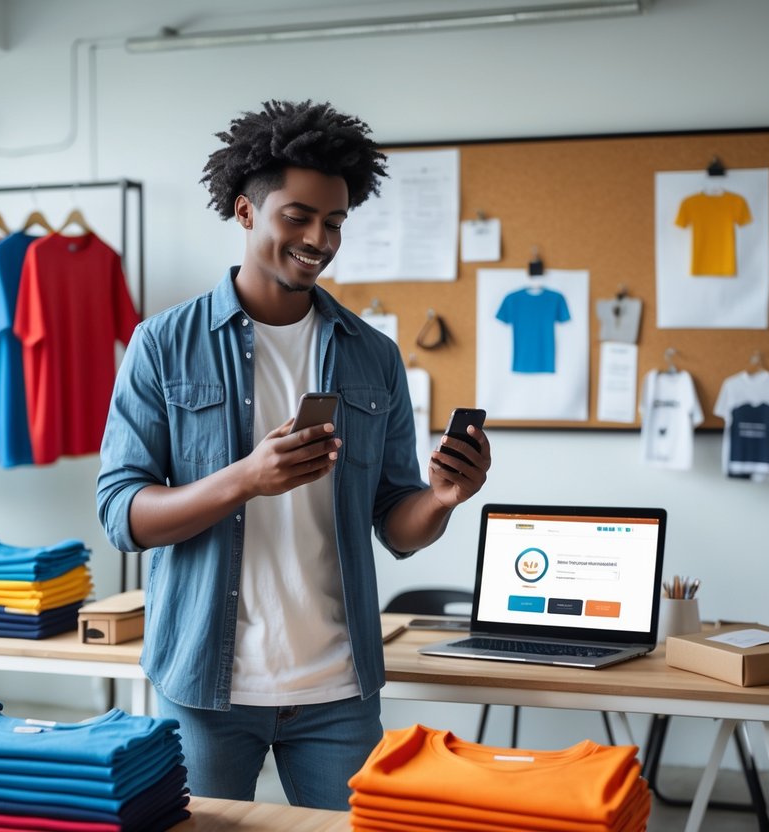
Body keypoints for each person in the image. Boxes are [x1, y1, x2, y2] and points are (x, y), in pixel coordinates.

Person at [96, 99, 490, 810]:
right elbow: (122, 513)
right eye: (297, 216)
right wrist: (245, 480)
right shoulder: (163, 344)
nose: (319, 238)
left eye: (334, 221)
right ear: (246, 213)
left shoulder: (371, 355)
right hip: (205, 688)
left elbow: (395, 525)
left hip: (337, 691)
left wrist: (440, 499)